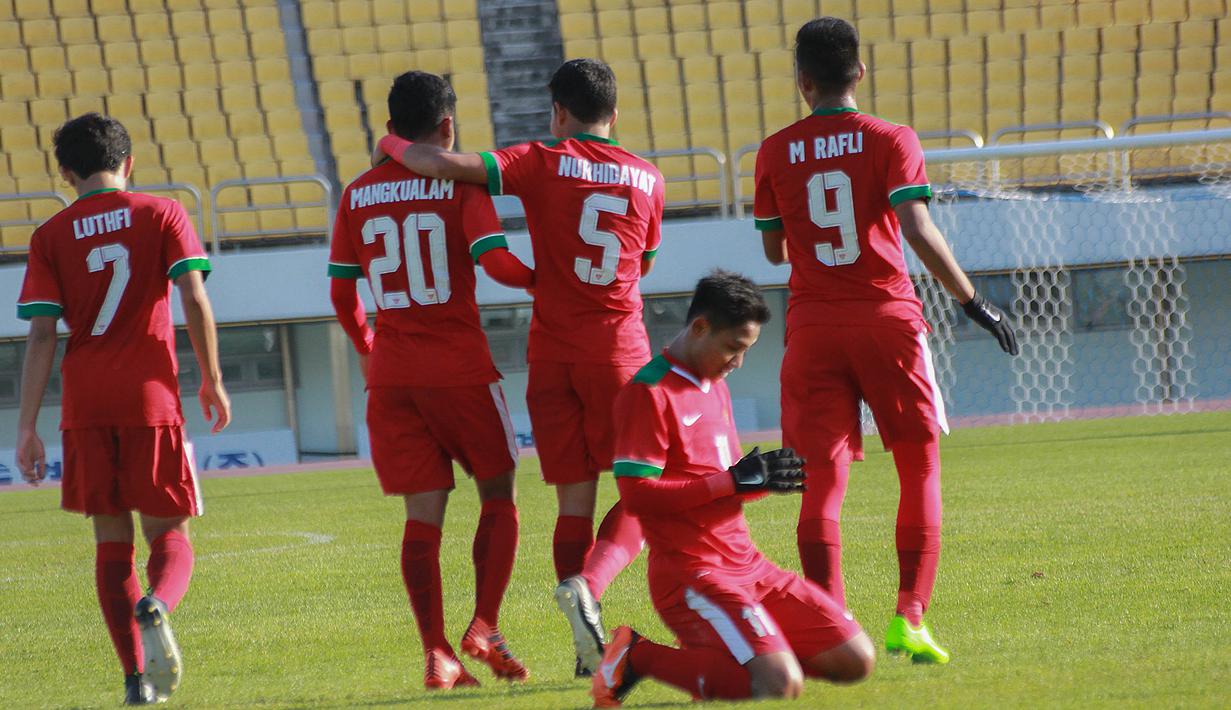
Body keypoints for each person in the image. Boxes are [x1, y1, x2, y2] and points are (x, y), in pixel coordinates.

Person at [374, 58, 665, 675]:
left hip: (551, 355)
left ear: (558, 113)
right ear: (614, 113)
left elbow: (439, 164)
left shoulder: (537, 159)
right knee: (645, 494)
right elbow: (643, 263)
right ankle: (589, 588)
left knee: (573, 503)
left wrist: (388, 143)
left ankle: (585, 645)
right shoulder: (648, 177)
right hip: (617, 350)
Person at [753, 17, 1020, 664]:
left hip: (813, 328)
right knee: (918, 465)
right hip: (887, 320)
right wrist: (973, 301)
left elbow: (772, 250)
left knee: (821, 481)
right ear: (860, 73)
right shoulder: (891, 138)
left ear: (802, 81)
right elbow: (917, 228)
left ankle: (829, 623)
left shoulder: (774, 150)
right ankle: (909, 617)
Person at [328, 71, 535, 690]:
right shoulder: (458, 184)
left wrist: (369, 348)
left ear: (392, 129)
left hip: (394, 375)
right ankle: (485, 626)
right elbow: (497, 265)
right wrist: (546, 278)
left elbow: (341, 295)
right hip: (460, 369)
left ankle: (437, 652)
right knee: (499, 494)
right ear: (448, 127)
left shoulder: (357, 193)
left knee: (423, 518)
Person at [14, 113, 230, 705]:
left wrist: (27, 426)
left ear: (65, 173)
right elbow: (193, 295)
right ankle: (157, 604)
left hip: (85, 402)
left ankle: (136, 680)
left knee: (111, 541)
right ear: (129, 162)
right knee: (170, 532)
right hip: (148, 395)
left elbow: (41, 334)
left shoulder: (49, 235)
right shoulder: (162, 213)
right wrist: (212, 379)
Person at [591, 271, 875, 707]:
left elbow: (724, 485)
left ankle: (728, 663)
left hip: (749, 565)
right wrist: (731, 480)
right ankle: (637, 655)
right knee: (778, 686)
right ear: (699, 327)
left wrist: (761, 480)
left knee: (856, 660)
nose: (737, 362)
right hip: (692, 574)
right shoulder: (649, 393)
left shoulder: (714, 387)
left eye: (746, 350)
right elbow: (637, 496)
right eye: (732, 347)